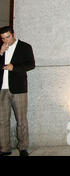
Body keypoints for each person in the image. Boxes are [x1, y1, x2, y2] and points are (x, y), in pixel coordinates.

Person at [0, 26, 35, 156]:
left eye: (8, 37)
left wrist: (14, 67)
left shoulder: (25, 47)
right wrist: (1, 53)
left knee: (21, 120)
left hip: (18, 88)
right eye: (3, 38)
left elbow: (31, 64)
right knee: (2, 120)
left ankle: (23, 147)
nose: (6, 40)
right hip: (2, 89)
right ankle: (4, 148)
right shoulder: (1, 48)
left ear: (13, 34)